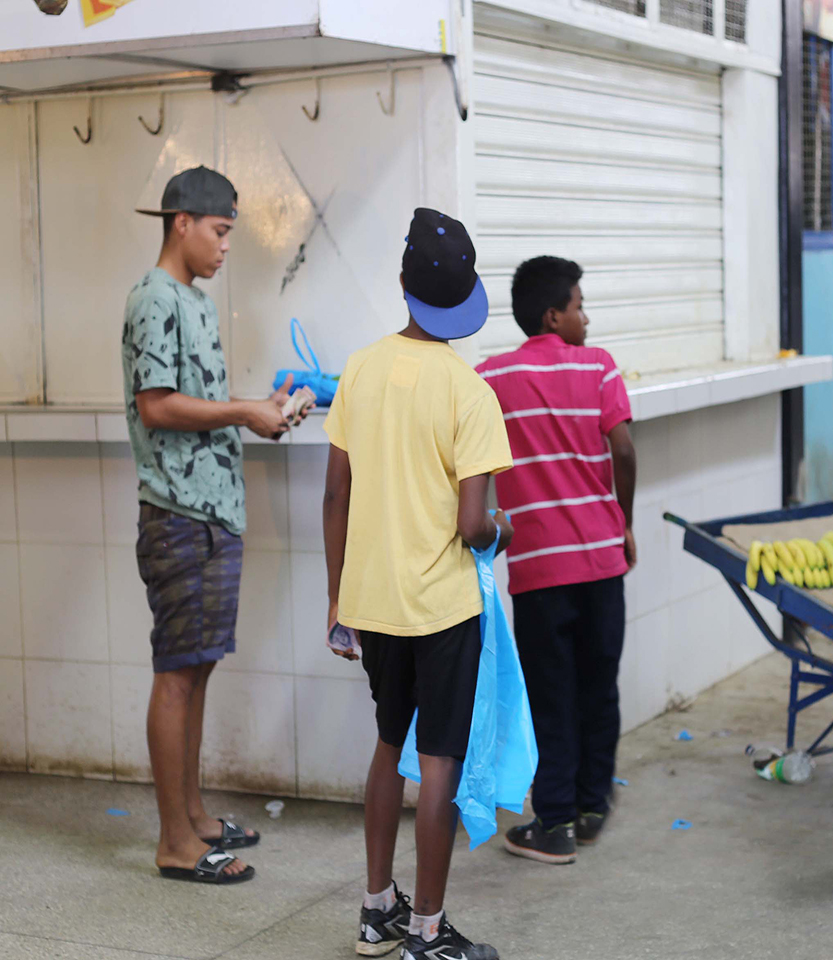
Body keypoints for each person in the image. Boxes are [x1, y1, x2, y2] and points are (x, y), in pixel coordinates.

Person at [322, 208, 514, 960]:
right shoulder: (469, 393)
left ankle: (376, 913)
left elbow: (336, 494)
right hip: (440, 607)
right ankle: (428, 934)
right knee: (438, 760)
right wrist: (504, 531)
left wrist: (338, 599)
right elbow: (473, 525)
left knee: (386, 743)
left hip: (373, 603)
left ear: (403, 287)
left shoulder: (361, 369)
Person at [123, 167, 310, 884]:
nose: (227, 247)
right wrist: (242, 412)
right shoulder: (152, 300)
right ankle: (176, 841)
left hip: (215, 509)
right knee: (176, 673)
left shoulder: (193, 304)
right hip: (176, 514)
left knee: (198, 670)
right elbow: (157, 406)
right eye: (222, 232)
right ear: (182, 223)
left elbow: (193, 398)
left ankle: (195, 815)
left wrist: (261, 407)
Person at [475, 256, 637, 865]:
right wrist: (624, 523)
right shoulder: (598, 369)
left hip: (541, 570)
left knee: (552, 694)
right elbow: (623, 448)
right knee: (601, 684)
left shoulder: (491, 377)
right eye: (578, 306)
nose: (586, 319)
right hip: (601, 561)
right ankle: (594, 807)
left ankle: (557, 823)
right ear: (553, 315)